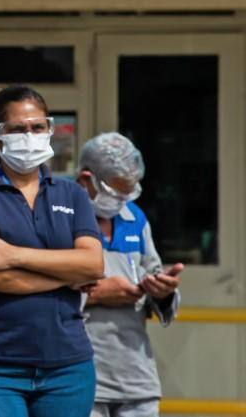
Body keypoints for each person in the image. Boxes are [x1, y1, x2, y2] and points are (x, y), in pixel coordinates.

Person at [0, 84, 104, 417]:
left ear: (49, 129)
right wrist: (66, 274)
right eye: (17, 129)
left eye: (37, 127)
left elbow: (93, 264)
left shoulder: (71, 194)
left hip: (66, 367)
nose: (29, 136)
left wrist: (12, 255)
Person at [77, 133, 181, 417]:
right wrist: (94, 296)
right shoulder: (62, 218)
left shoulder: (135, 219)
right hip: (83, 379)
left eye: (128, 194)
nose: (121, 202)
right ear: (86, 179)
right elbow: (38, 293)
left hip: (136, 377)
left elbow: (153, 271)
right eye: (115, 193)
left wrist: (163, 291)